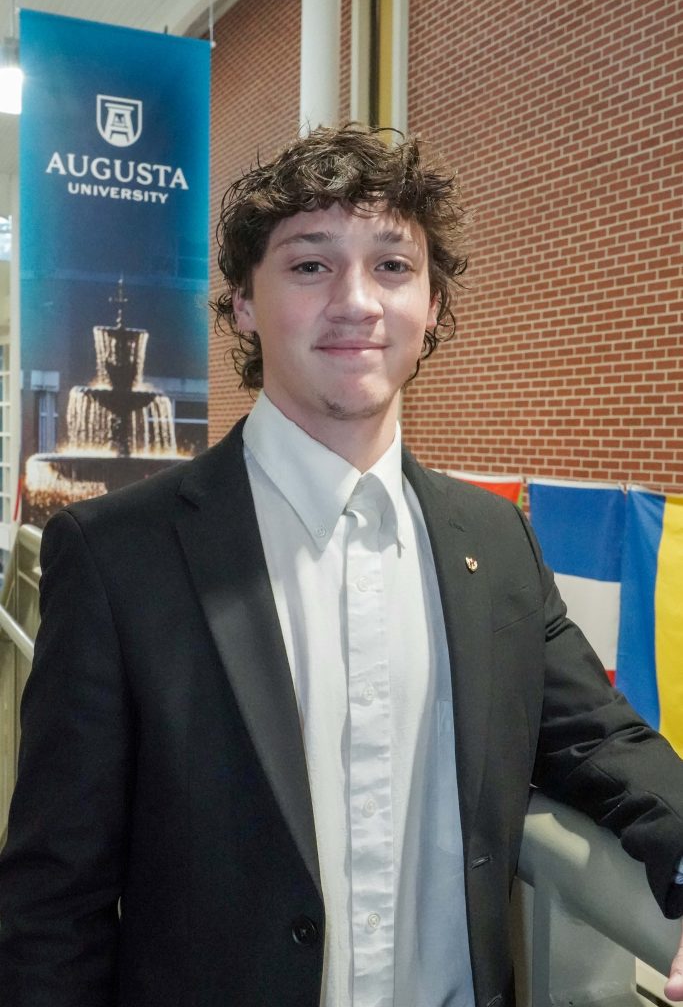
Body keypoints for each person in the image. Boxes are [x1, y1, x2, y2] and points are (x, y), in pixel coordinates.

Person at [1, 123, 683, 1007]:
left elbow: (597, 738)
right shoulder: (119, 555)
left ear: (432, 305)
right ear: (244, 304)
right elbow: (56, 897)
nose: (356, 300)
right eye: (310, 265)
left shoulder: (493, 538)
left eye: (393, 266)